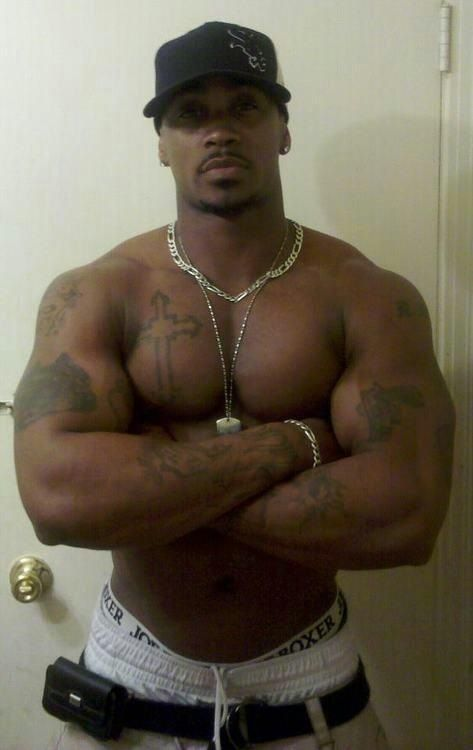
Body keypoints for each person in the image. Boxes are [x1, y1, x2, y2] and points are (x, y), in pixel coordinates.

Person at [14, 20, 455, 750]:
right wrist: (292, 444)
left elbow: (406, 517)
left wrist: (155, 477)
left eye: (245, 107)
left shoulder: (368, 296)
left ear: (283, 130)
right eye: (190, 113)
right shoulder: (96, 293)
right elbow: (59, 500)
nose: (218, 131)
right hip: (132, 679)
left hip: (309, 688)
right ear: (162, 142)